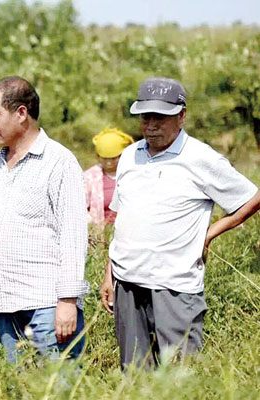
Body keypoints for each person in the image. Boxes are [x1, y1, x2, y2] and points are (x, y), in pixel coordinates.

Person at [99, 77, 260, 369]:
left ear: (182, 116)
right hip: (128, 282)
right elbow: (124, 219)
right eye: (145, 117)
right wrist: (109, 273)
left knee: (180, 375)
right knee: (135, 375)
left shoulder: (200, 158)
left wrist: (209, 234)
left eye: (161, 117)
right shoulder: (129, 157)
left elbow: (251, 197)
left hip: (174, 285)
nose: (151, 125)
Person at [0, 76, 90, 363]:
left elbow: (73, 235)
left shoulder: (59, 161)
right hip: (6, 301)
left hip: (47, 304)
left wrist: (67, 302)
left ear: (21, 113)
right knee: (19, 388)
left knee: (56, 388)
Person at [84, 128, 134, 227]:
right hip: (99, 235)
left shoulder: (132, 174)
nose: (109, 162)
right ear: (97, 156)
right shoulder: (88, 177)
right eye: (104, 158)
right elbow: (78, 207)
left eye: (113, 158)